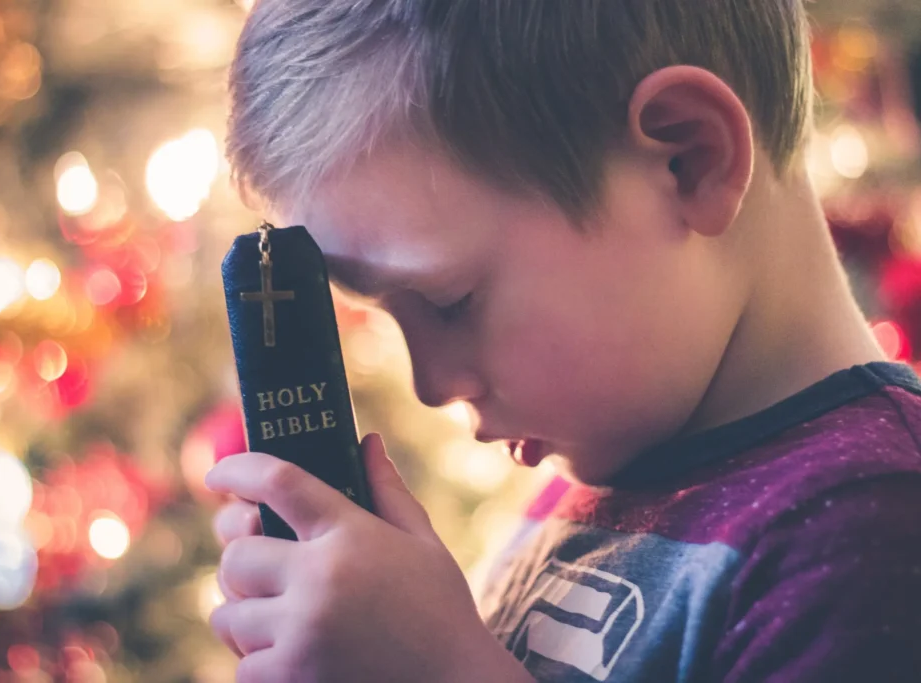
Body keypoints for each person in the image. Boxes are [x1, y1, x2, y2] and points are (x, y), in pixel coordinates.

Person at [204, 1, 921, 681]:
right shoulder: (588, 488)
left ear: (688, 161)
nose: (431, 384)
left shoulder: (873, 530)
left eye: (452, 303)